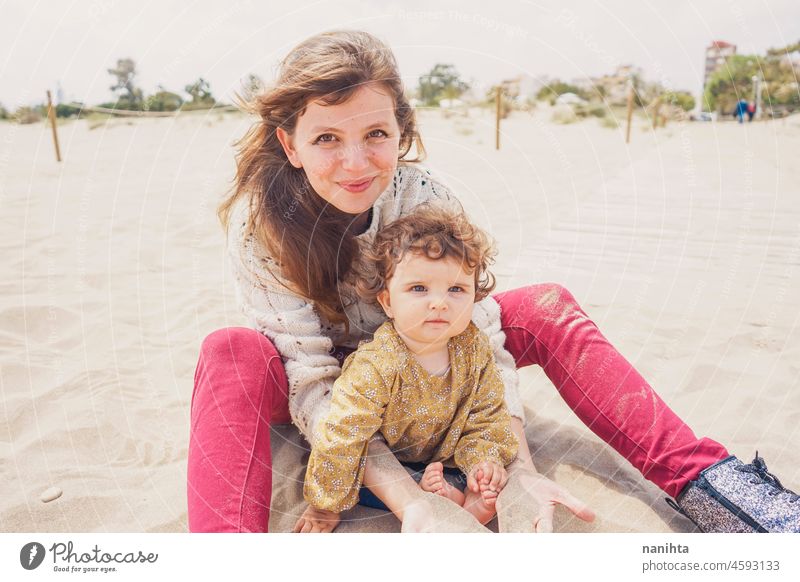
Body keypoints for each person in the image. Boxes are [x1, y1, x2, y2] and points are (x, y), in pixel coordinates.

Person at [187, 30, 800, 533]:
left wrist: (520, 464)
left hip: (434, 356)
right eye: (326, 138)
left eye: (376, 134)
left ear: (402, 133)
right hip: (344, 396)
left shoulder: (425, 198)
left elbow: (480, 333)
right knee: (231, 351)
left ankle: (711, 484)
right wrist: (414, 505)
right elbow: (314, 384)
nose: (355, 162)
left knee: (543, 306)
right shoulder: (259, 229)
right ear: (289, 143)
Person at [300, 205, 519, 531]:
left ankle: (461, 499)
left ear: (475, 297)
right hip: (394, 466)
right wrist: (324, 503)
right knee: (360, 469)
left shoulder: (474, 350)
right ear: (387, 301)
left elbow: (486, 413)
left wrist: (481, 461)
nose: (439, 302)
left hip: (446, 457)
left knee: (485, 472)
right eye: (419, 288)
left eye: (456, 289)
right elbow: (343, 432)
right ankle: (437, 499)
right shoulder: (377, 364)